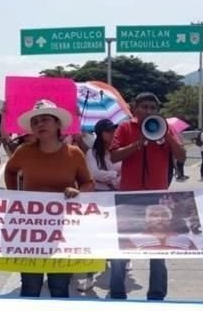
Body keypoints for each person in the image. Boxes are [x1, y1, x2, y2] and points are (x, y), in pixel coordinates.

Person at [4, 99, 94, 297]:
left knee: (59, 286)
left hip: (62, 231)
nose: (39, 125)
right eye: (35, 122)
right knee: (30, 286)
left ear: (57, 124)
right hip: (29, 230)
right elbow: (10, 171)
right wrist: (14, 195)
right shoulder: (24, 152)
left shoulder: (74, 153)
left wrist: (77, 191)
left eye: (45, 120)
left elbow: (88, 182)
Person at [108, 92, 186, 300]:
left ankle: (157, 295)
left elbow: (181, 156)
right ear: (135, 108)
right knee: (122, 248)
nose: (148, 111)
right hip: (129, 197)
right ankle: (117, 293)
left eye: (153, 108)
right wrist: (137, 144)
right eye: (144, 107)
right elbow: (114, 155)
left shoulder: (165, 128)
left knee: (159, 249)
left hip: (157, 198)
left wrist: (167, 136)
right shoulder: (125, 128)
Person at [77, 119, 122, 292]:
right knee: (95, 238)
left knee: (115, 238)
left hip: (116, 197)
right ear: (100, 133)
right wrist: (113, 175)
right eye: (108, 131)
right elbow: (94, 173)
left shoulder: (119, 151)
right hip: (98, 198)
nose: (112, 134)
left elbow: (125, 172)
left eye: (114, 131)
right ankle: (89, 276)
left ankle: (117, 283)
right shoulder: (92, 153)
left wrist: (114, 180)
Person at [118, 203, 199, 250]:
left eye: (164, 215)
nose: (160, 218)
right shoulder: (134, 240)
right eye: (154, 215)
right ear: (147, 219)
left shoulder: (184, 240)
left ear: (169, 219)